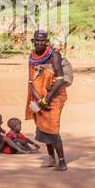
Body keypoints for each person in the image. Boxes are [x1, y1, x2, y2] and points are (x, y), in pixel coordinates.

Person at [26, 30, 70, 170]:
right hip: (39, 97)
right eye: (37, 40)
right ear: (33, 41)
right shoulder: (32, 57)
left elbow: (59, 80)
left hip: (54, 97)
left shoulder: (54, 56)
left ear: (47, 42)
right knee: (42, 127)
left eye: (42, 41)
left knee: (52, 128)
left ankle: (62, 162)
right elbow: (31, 80)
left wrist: (46, 101)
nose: (39, 43)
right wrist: (39, 100)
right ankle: (51, 159)